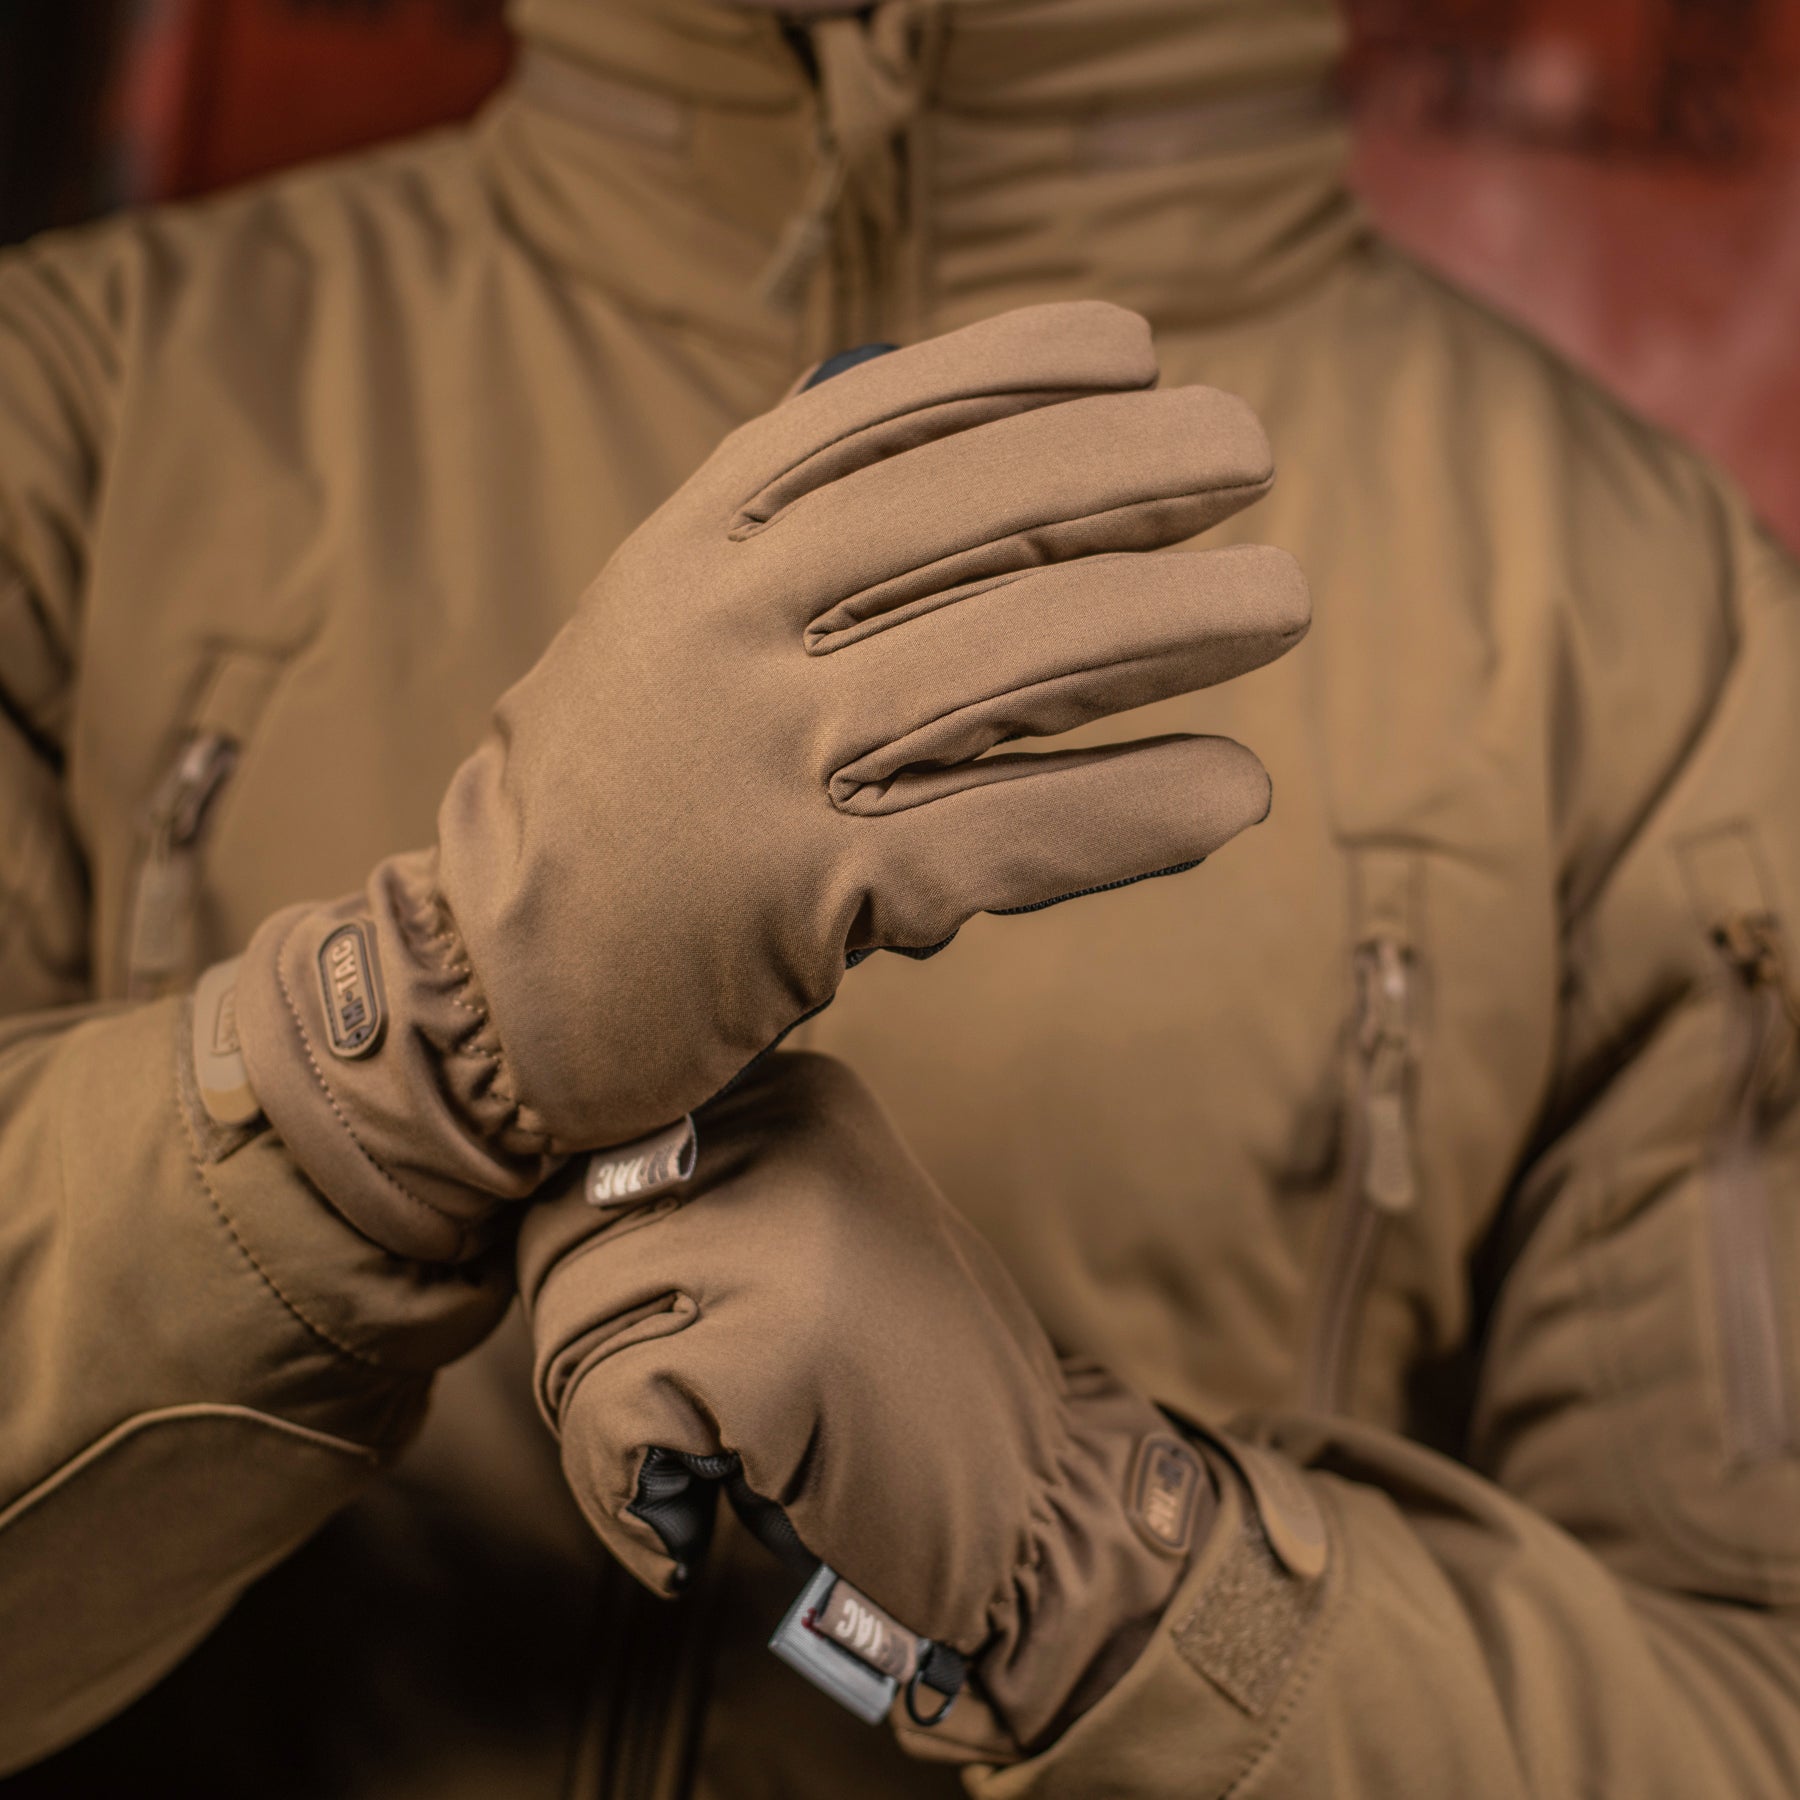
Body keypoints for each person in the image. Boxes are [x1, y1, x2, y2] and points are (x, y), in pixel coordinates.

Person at [2, 0, 1797, 1794]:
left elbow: (1752, 1712)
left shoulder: (1656, 629)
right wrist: (400, 1055)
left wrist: (1090, 1562)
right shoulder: (81, 405)